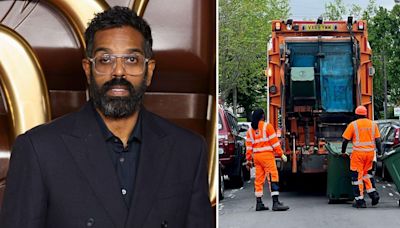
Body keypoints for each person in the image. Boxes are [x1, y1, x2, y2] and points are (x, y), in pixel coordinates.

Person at [0, 6, 212, 228]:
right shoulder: (39, 149)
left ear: (148, 70)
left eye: (131, 59)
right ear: (88, 69)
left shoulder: (187, 150)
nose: (118, 72)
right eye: (105, 59)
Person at [245, 108, 289, 211]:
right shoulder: (267, 127)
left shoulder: (250, 131)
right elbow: (275, 143)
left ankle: (259, 203)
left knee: (259, 179)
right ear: (262, 116)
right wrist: (281, 154)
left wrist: (248, 160)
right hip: (267, 157)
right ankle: (275, 202)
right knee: (273, 177)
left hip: (257, 158)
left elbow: (249, 148)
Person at [342, 105, 381, 208]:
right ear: (366, 114)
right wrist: (380, 152)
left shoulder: (353, 125)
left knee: (357, 178)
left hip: (358, 155)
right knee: (366, 174)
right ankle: (373, 194)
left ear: (356, 115)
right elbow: (378, 140)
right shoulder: (373, 124)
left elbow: (345, 140)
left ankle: (360, 201)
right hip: (370, 154)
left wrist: (343, 151)